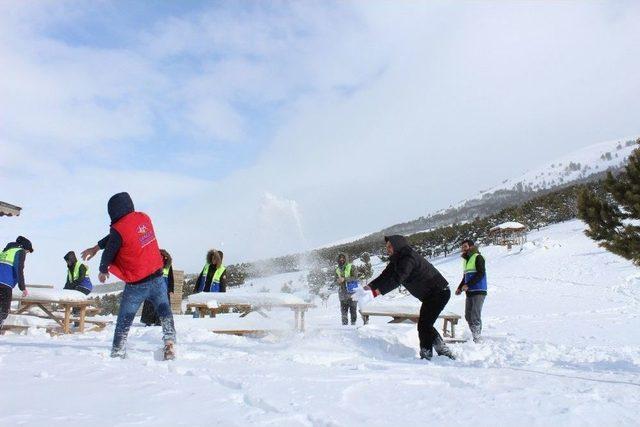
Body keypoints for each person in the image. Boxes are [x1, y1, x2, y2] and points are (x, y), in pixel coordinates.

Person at [81, 192, 176, 360]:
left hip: (137, 285)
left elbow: (111, 249)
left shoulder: (118, 230)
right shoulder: (144, 218)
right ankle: (169, 344)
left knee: (124, 319)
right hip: (158, 278)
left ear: (113, 211)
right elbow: (120, 235)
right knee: (165, 313)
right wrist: (96, 246)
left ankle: (118, 352)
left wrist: (103, 270)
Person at [365, 235, 455, 360]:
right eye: (387, 247)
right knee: (426, 324)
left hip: (439, 292)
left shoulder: (408, 258)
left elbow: (397, 279)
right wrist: (369, 287)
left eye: (390, 246)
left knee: (424, 325)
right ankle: (442, 351)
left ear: (397, 245)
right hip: (430, 295)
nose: (388, 249)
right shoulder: (397, 259)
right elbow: (385, 275)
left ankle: (426, 355)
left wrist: (377, 292)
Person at [455, 239, 487, 343]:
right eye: (462, 247)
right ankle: (475, 334)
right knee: (468, 315)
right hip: (469, 291)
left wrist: (468, 285)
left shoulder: (478, 257)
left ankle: (477, 338)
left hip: (479, 290)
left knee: (475, 315)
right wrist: (460, 288)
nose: (463, 248)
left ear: (471, 246)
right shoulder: (466, 260)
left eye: (465, 246)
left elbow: (481, 273)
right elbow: (465, 277)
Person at [0, 236, 32, 330]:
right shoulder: (20, 251)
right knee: (4, 309)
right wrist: (22, 287)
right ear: (24, 247)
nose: (27, 253)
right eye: (28, 251)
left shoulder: (5, 251)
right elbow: (19, 269)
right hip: (6, 283)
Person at [140, 249, 174, 326]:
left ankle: (160, 321)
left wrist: (171, 289)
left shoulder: (168, 265)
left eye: (163, 257)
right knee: (150, 305)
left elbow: (171, 277)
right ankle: (148, 321)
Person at [335, 253, 359, 325]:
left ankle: (353, 326)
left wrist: (344, 279)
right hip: (342, 295)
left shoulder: (351, 267)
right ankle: (344, 328)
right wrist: (337, 281)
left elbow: (355, 278)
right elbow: (335, 280)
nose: (341, 259)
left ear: (346, 258)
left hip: (352, 294)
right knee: (344, 314)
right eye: (340, 258)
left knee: (353, 312)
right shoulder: (337, 269)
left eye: (343, 258)